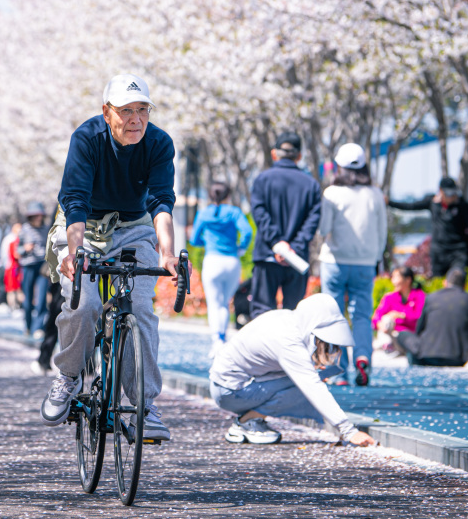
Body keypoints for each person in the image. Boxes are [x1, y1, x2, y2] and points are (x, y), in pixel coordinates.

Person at [41, 73, 183, 442]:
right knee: (84, 304)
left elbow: (161, 201)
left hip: (134, 227)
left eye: (142, 110)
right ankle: (68, 377)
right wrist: (74, 252)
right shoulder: (87, 138)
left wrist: (167, 252)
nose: (136, 119)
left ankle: (144, 406)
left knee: (141, 309)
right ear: (107, 113)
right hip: (83, 226)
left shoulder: (159, 143)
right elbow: (75, 199)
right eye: (126, 111)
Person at [209, 294, 376, 447]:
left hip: (230, 386)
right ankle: (247, 421)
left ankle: (251, 420)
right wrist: (349, 431)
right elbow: (312, 386)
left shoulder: (287, 320)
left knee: (318, 374)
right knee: (308, 384)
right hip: (229, 392)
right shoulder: (288, 340)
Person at [318, 143, 387, 386]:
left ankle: (336, 371)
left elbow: (323, 229)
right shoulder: (375, 194)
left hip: (334, 261)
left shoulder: (331, 193)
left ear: (339, 167)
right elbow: (382, 232)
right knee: (362, 316)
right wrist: (376, 257)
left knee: (333, 316)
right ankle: (362, 357)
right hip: (365, 263)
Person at [249, 131, 322, 319]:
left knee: (262, 314)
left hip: (267, 255)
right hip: (297, 259)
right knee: (294, 315)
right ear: (299, 156)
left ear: (274, 153)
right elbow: (312, 220)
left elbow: (259, 213)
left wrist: (276, 243)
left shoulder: (262, 180)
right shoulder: (311, 184)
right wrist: (293, 248)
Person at [189, 181, 252, 355]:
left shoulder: (204, 213)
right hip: (231, 261)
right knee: (224, 303)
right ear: (228, 195)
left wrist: (207, 242)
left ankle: (216, 340)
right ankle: (223, 338)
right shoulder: (234, 212)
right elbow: (247, 232)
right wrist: (241, 247)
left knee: (213, 303)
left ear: (210, 195)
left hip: (212, 261)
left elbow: (194, 239)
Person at [387, 177, 468, 276]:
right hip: (439, 253)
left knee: (457, 277)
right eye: (448, 194)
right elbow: (411, 206)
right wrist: (389, 202)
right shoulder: (433, 203)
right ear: (441, 191)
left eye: (453, 193)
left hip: (458, 252)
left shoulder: (463, 206)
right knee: (437, 281)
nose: (451, 197)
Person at [397, 268, 468, 367]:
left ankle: (415, 365)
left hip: (428, 356)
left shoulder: (431, 298)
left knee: (403, 335)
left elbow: (419, 329)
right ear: (465, 286)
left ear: (445, 283)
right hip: (460, 358)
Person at [372, 267, 426, 355]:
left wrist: (400, 315)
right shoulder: (389, 297)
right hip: (393, 336)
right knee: (386, 318)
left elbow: (419, 317)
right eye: (392, 277)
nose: (393, 281)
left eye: (396, 277)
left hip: (412, 337)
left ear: (408, 280)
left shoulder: (419, 296)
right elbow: (377, 317)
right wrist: (380, 324)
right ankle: (387, 346)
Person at [18, 201, 51, 337]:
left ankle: (38, 327)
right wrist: (25, 249)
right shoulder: (24, 229)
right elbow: (17, 250)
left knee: (42, 297)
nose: (38, 218)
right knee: (28, 298)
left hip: (43, 266)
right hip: (28, 266)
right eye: (35, 215)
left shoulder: (47, 229)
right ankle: (28, 325)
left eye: (40, 215)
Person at [0, 223, 22, 309]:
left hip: (16, 267)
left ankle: (17, 306)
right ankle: (13, 306)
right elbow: (13, 254)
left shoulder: (12, 239)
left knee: (17, 288)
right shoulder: (11, 240)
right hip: (12, 267)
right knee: (12, 289)